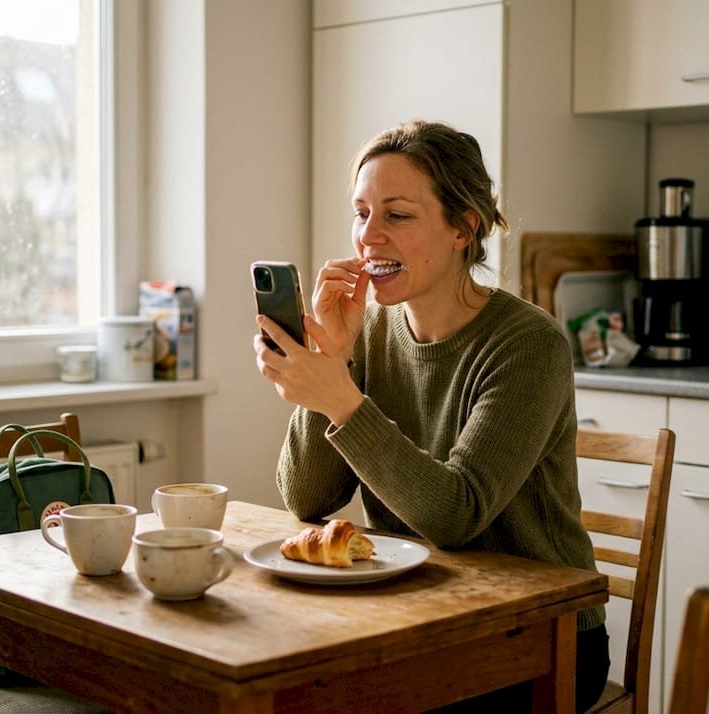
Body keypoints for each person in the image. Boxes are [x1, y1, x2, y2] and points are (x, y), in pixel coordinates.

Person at [252, 120, 609, 711]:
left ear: (463, 228)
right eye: (361, 213)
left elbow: (455, 515)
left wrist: (341, 398)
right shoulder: (368, 332)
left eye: (397, 215)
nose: (369, 237)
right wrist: (331, 359)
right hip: (416, 615)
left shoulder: (529, 345)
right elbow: (308, 499)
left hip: (543, 639)